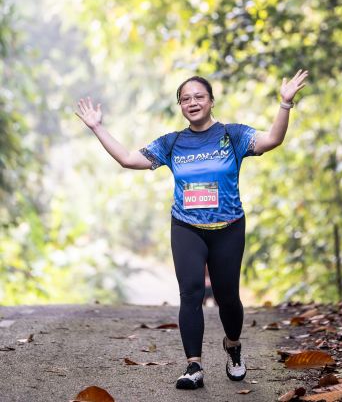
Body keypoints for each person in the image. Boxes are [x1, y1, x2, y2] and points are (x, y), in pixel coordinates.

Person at [75, 70, 308, 390]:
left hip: (228, 227)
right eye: (185, 99)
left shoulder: (232, 135)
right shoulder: (171, 143)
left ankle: (233, 346)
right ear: (180, 106)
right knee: (191, 293)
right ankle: (193, 365)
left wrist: (285, 103)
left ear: (211, 101)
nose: (193, 102)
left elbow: (272, 139)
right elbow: (128, 159)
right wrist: (97, 127)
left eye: (199, 96)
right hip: (186, 226)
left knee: (228, 298)